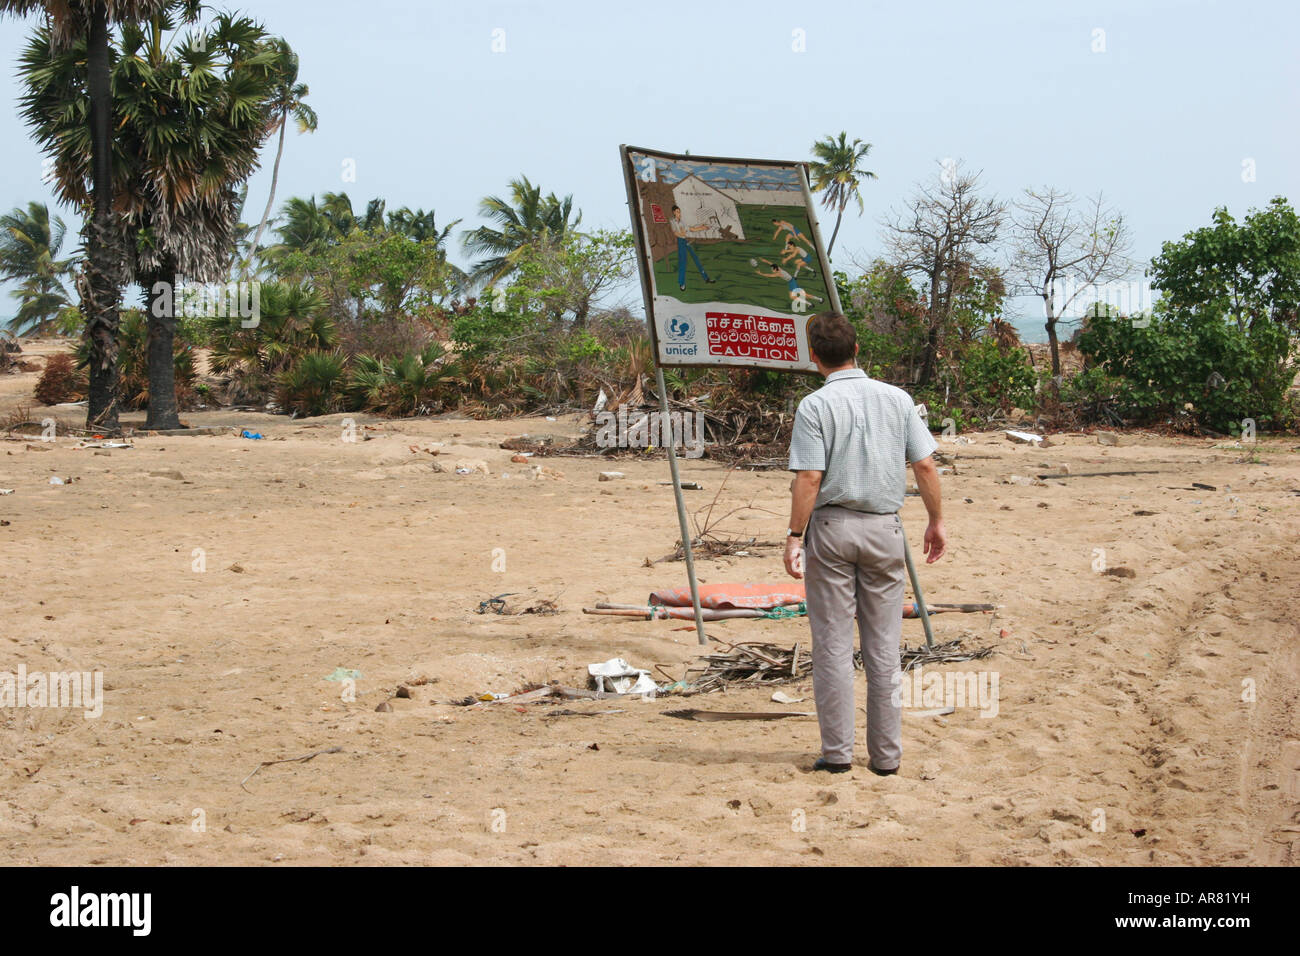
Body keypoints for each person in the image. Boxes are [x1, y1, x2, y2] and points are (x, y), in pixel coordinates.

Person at [783, 311, 946, 776]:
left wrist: (795, 536)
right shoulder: (898, 399)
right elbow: (926, 467)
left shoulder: (815, 406)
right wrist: (936, 520)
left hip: (832, 531)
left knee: (832, 644)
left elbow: (810, 477)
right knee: (884, 647)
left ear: (814, 357)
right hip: (884, 529)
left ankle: (837, 755)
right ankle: (887, 758)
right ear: (857, 351)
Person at [669, 205, 716, 291]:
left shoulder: (682, 222)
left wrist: (703, 227)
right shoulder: (672, 221)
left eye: (680, 211)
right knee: (683, 262)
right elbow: (675, 233)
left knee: (696, 258)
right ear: (674, 213)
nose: (679, 213)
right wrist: (682, 234)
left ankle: (706, 278)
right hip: (680, 241)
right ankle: (682, 283)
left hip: (685, 240)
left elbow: (692, 229)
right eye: (677, 212)